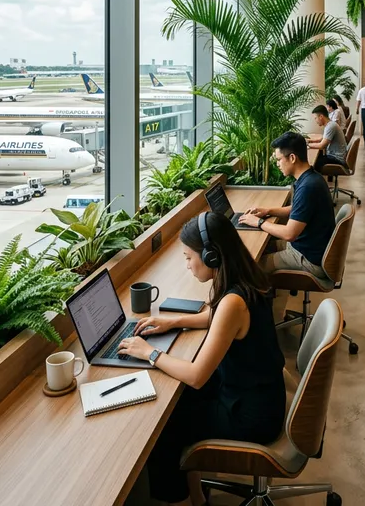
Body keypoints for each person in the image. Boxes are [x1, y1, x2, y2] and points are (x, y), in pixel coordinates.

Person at [118, 212, 285, 506]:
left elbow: (196, 375)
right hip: (257, 393)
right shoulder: (242, 279)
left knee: (165, 432)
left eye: (188, 257)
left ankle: (182, 500)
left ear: (211, 257)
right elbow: (216, 316)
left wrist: (150, 353)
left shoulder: (234, 301)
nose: (187, 265)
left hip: (252, 415)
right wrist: (174, 321)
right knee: (179, 405)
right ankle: (196, 498)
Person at [239, 131, 334, 283]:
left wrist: (259, 223)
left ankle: (263, 305)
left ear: (292, 158)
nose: (277, 164)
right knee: (262, 248)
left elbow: (290, 234)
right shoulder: (311, 178)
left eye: (278, 159)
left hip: (308, 258)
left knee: (252, 266)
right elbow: (297, 210)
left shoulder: (308, 187)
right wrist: (268, 211)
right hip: (309, 246)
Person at [309, 105, 347, 172]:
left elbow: (322, 146)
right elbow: (323, 138)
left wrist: (307, 145)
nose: (315, 120)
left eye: (315, 118)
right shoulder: (330, 124)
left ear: (321, 116)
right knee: (317, 159)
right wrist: (310, 140)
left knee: (312, 165)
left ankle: (317, 181)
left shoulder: (331, 126)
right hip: (335, 156)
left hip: (337, 159)